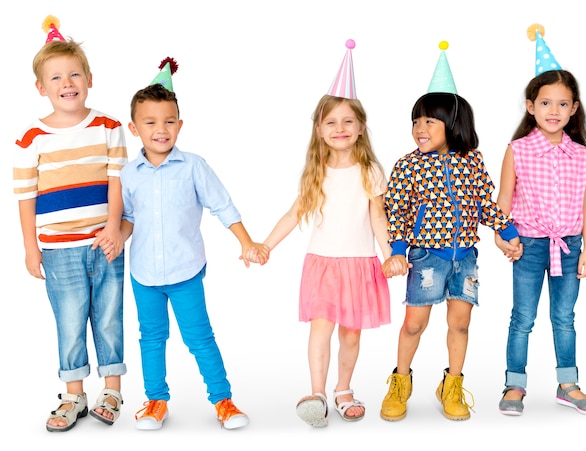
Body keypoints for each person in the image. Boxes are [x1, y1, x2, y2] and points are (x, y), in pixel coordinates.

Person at [247, 41, 392, 428]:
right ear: (319, 129)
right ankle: (317, 393)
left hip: (361, 264)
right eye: (331, 122)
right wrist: (265, 245)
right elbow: (294, 214)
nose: (340, 129)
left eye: (348, 121)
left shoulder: (370, 170)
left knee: (351, 336)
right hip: (323, 264)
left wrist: (390, 253)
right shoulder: (316, 171)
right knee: (320, 330)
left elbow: (378, 218)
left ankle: (344, 389)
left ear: (360, 127)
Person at [120, 60, 269, 431]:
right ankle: (156, 401)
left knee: (200, 338)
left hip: (186, 271)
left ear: (180, 126)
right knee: (151, 338)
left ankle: (223, 401)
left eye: (169, 121)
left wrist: (246, 241)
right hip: (143, 274)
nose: (161, 129)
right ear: (134, 128)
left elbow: (222, 205)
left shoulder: (193, 166)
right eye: (150, 122)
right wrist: (114, 239)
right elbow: (127, 217)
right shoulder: (125, 174)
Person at [13, 16, 127, 432]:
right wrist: (30, 247)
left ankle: (112, 389)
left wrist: (113, 229)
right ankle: (73, 394)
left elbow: (118, 184)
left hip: (105, 243)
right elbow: (26, 198)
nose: (68, 82)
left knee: (110, 316)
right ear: (41, 87)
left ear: (89, 79)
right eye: (57, 77)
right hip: (58, 249)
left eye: (75, 74)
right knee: (70, 320)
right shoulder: (30, 138)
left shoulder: (109, 127)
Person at [380, 86, 522, 421]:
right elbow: (396, 212)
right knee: (414, 324)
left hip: (465, 259)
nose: (420, 128)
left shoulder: (472, 160)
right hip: (426, 257)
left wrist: (509, 232)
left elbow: (484, 205)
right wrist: (399, 250)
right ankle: (400, 382)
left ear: (453, 123)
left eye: (429, 120)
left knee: (460, 323)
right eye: (416, 121)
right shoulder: (408, 165)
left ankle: (452, 386)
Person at [496, 66, 586, 415]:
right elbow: (503, 203)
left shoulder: (581, 155)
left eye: (562, 104)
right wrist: (503, 239)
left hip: (569, 246)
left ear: (574, 109)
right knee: (523, 317)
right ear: (531, 106)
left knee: (564, 317)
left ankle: (568, 384)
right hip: (528, 244)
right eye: (545, 103)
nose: (553, 111)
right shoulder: (518, 150)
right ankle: (515, 385)